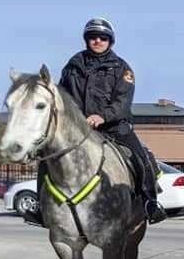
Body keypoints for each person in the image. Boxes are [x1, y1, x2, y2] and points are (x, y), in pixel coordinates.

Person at [23, 17, 166, 227]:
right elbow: (62, 96)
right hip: (78, 130)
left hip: (115, 128)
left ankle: (150, 203)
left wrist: (103, 116)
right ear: (86, 40)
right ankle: (42, 208)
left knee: (141, 157)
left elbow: (123, 101)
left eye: (103, 38)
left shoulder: (121, 68)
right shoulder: (73, 66)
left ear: (110, 41)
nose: (98, 41)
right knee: (47, 158)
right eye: (93, 37)